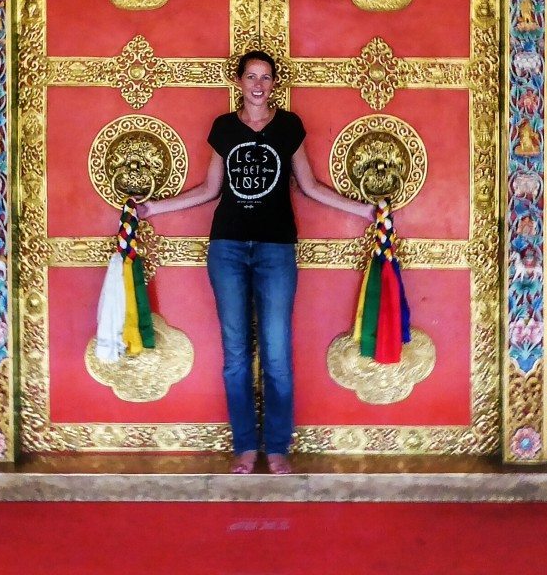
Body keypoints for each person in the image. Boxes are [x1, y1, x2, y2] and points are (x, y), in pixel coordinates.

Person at [139, 50, 374, 475]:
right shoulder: (225, 128)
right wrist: (154, 208)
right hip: (227, 248)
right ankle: (246, 446)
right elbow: (210, 189)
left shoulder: (288, 127)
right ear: (239, 81)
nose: (258, 85)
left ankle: (278, 446)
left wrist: (365, 211)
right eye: (251, 76)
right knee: (235, 354)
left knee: (277, 351)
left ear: (274, 83)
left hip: (275, 249)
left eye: (266, 77)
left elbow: (309, 186)